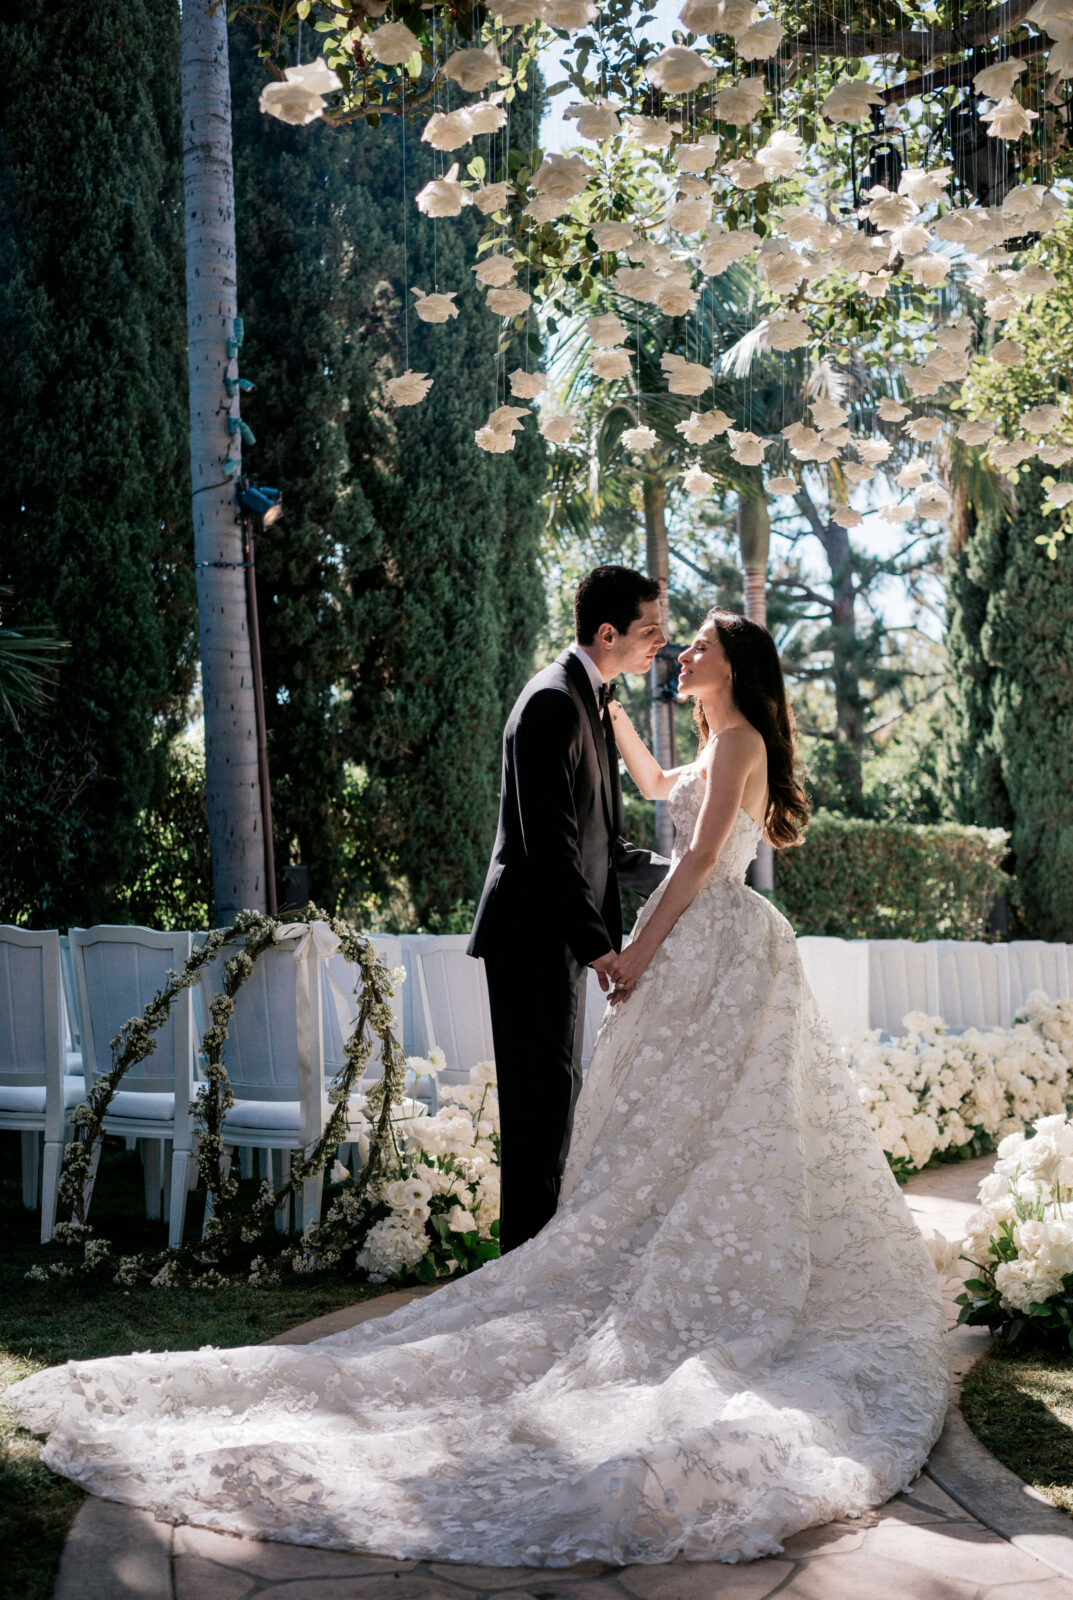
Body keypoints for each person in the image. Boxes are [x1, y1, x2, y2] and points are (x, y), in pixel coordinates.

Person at [9, 606, 949, 1570]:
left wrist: (634, 952)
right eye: (675, 641)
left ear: (737, 662)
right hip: (693, 952)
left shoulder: (743, 734)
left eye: (698, 643)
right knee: (669, 1123)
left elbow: (704, 859)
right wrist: (617, 717)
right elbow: (666, 790)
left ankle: (711, 1263)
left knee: (730, 1124)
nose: (683, 652)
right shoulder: (712, 739)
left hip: (720, 950)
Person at [466, 564, 671, 1252]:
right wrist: (601, 949)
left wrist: (697, 882)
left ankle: (531, 1270)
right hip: (530, 939)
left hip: (555, 937)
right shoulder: (552, 702)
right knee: (538, 1119)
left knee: (554, 1109)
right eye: (650, 631)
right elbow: (549, 846)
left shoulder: (592, 699)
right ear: (607, 632)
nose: (660, 644)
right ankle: (520, 1276)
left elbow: (601, 844)